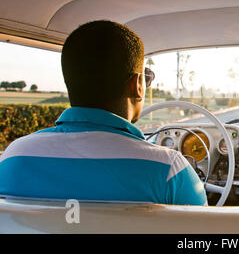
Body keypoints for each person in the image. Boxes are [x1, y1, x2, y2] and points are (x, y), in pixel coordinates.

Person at [0, 20, 207, 205]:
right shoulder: (169, 170)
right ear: (137, 85)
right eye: (146, 78)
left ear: (69, 81)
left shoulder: (13, 158)